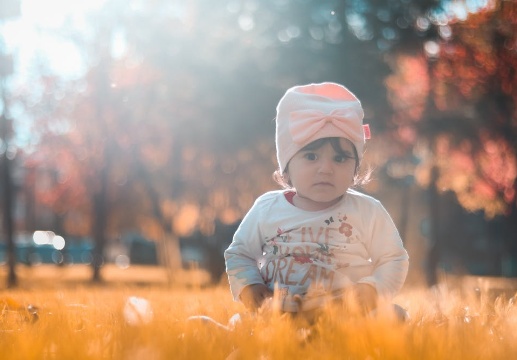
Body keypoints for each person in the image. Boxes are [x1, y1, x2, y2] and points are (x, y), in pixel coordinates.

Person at [224, 82, 409, 320]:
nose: (326, 169)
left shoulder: (367, 210)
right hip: (280, 313)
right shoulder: (267, 208)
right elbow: (240, 253)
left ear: (355, 167)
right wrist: (251, 287)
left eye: (340, 158)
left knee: (394, 316)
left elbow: (393, 258)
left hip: (346, 314)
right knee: (239, 323)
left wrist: (371, 289)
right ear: (287, 166)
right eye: (311, 156)